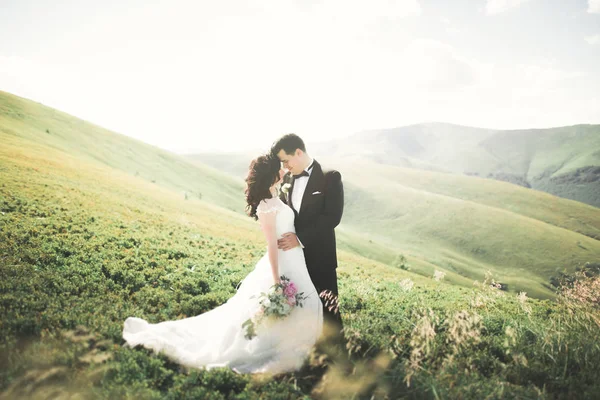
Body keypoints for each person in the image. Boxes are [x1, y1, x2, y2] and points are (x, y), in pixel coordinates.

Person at [122, 154, 323, 374]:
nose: (284, 169)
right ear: (272, 175)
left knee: (308, 303)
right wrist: (276, 281)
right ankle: (277, 347)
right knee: (283, 308)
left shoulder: (277, 196)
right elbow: (271, 246)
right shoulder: (266, 206)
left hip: (295, 260)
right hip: (281, 264)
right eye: (280, 168)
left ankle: (295, 345)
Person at [271, 134, 344, 339]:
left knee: (329, 310)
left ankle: (339, 356)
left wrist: (300, 238)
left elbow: (332, 217)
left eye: (286, 160)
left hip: (321, 256)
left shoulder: (331, 176)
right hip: (294, 258)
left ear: (299, 152)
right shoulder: (287, 179)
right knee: (301, 306)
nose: (285, 167)